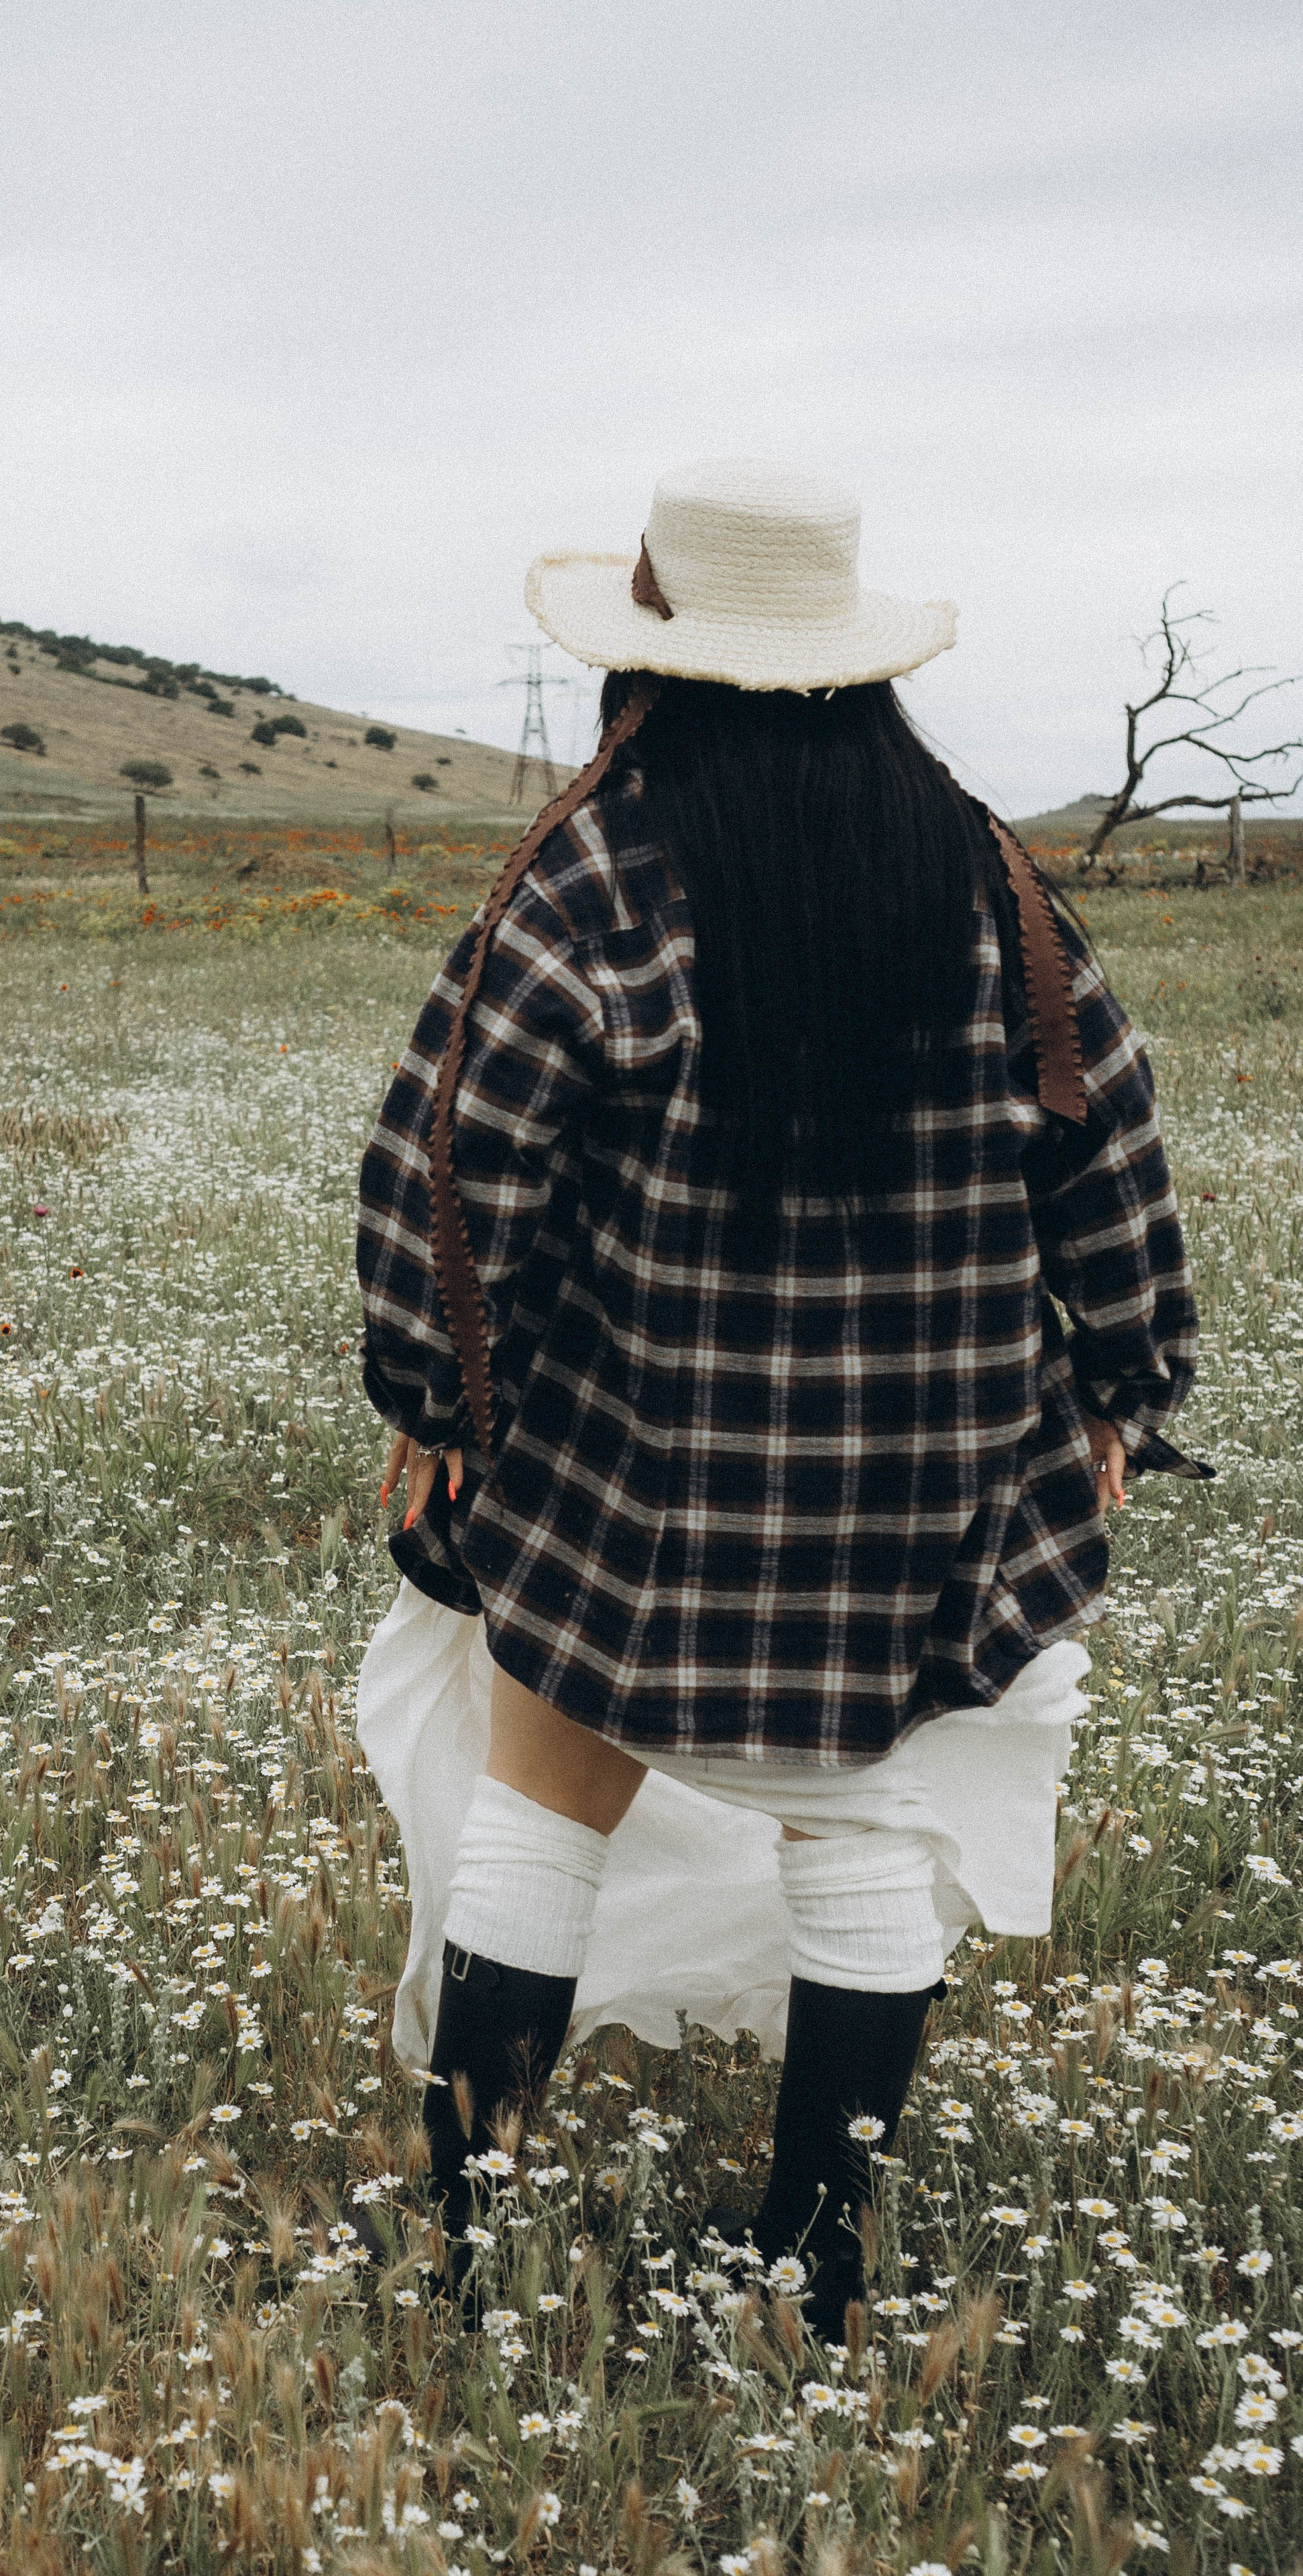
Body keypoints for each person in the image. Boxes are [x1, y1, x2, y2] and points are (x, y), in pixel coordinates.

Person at [353, 459, 1206, 2335]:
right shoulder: (976, 867)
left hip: (631, 1480)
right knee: (869, 1826)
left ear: (651, 658)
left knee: (541, 1810)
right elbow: (1107, 1144)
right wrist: (1127, 1386)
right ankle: (818, 2270)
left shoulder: (591, 872)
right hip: (926, 1483)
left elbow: (452, 1164)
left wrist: (432, 1396)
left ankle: (470, 2247)